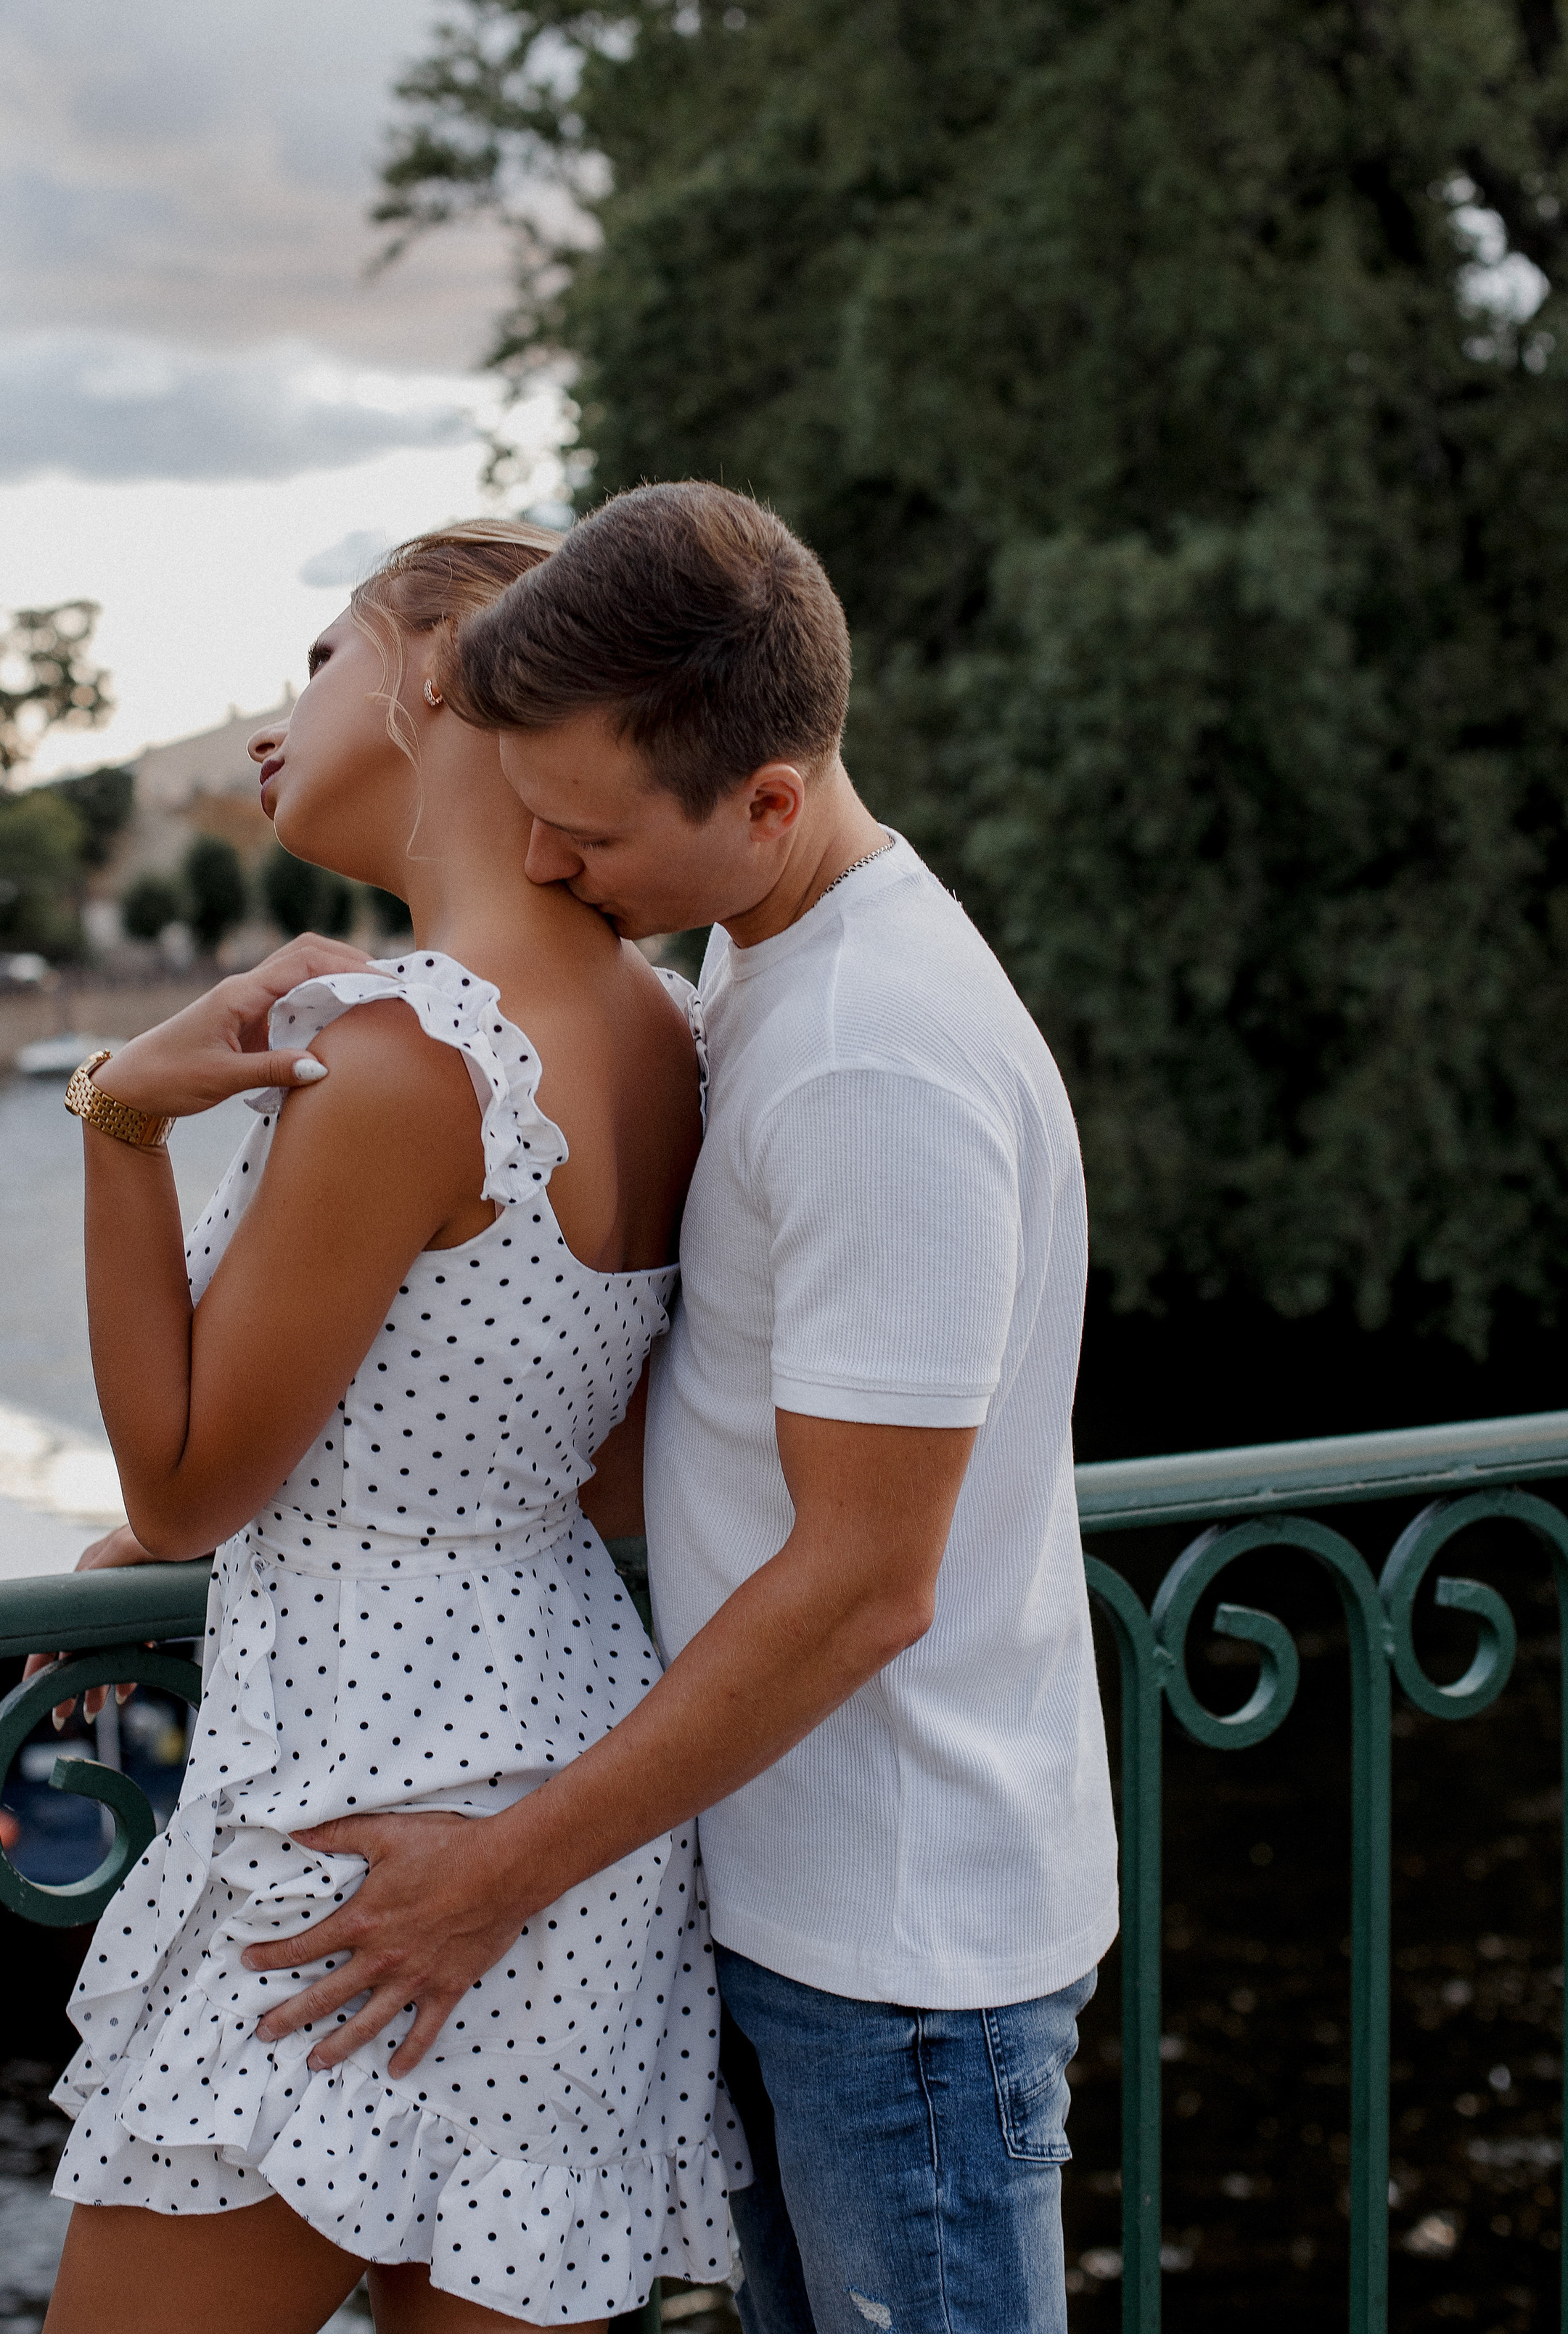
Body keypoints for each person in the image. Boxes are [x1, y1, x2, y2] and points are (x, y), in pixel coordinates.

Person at [235, 484, 1119, 2334]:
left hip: (904, 1961)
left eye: (586, 835)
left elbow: (868, 1579)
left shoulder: (873, 1055)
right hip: (812, 1907)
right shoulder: (770, 956)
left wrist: (493, 1876)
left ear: (768, 801)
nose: (551, 872)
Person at [33, 518, 744, 2334]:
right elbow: (567, 1451)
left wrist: (120, 1118)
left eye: (317, 662)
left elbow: (186, 1490)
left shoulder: (394, 1051)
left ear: (439, 670)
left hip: (358, 1802)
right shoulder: (661, 1033)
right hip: (574, 1799)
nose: (279, 721)